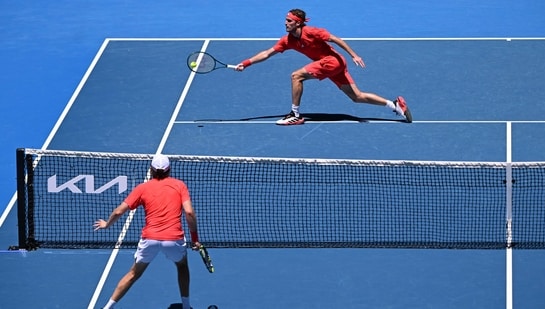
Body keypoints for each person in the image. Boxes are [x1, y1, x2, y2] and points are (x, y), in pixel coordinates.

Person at [235, 8, 412, 125]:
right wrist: (246, 63)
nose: (285, 23)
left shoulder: (312, 32)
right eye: (285, 20)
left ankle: (295, 115)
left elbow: (336, 39)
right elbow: (267, 53)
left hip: (332, 61)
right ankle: (395, 105)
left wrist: (354, 55)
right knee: (357, 97)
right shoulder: (287, 41)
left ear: (298, 22)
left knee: (296, 76)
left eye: (288, 20)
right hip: (334, 65)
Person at [94, 154, 200, 309]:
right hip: (173, 239)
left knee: (133, 274)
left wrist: (107, 224)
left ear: (151, 170)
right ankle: (186, 306)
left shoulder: (142, 188)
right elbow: (189, 213)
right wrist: (195, 238)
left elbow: (118, 212)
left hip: (149, 239)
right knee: (182, 266)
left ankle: (107, 307)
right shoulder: (179, 185)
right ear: (169, 170)